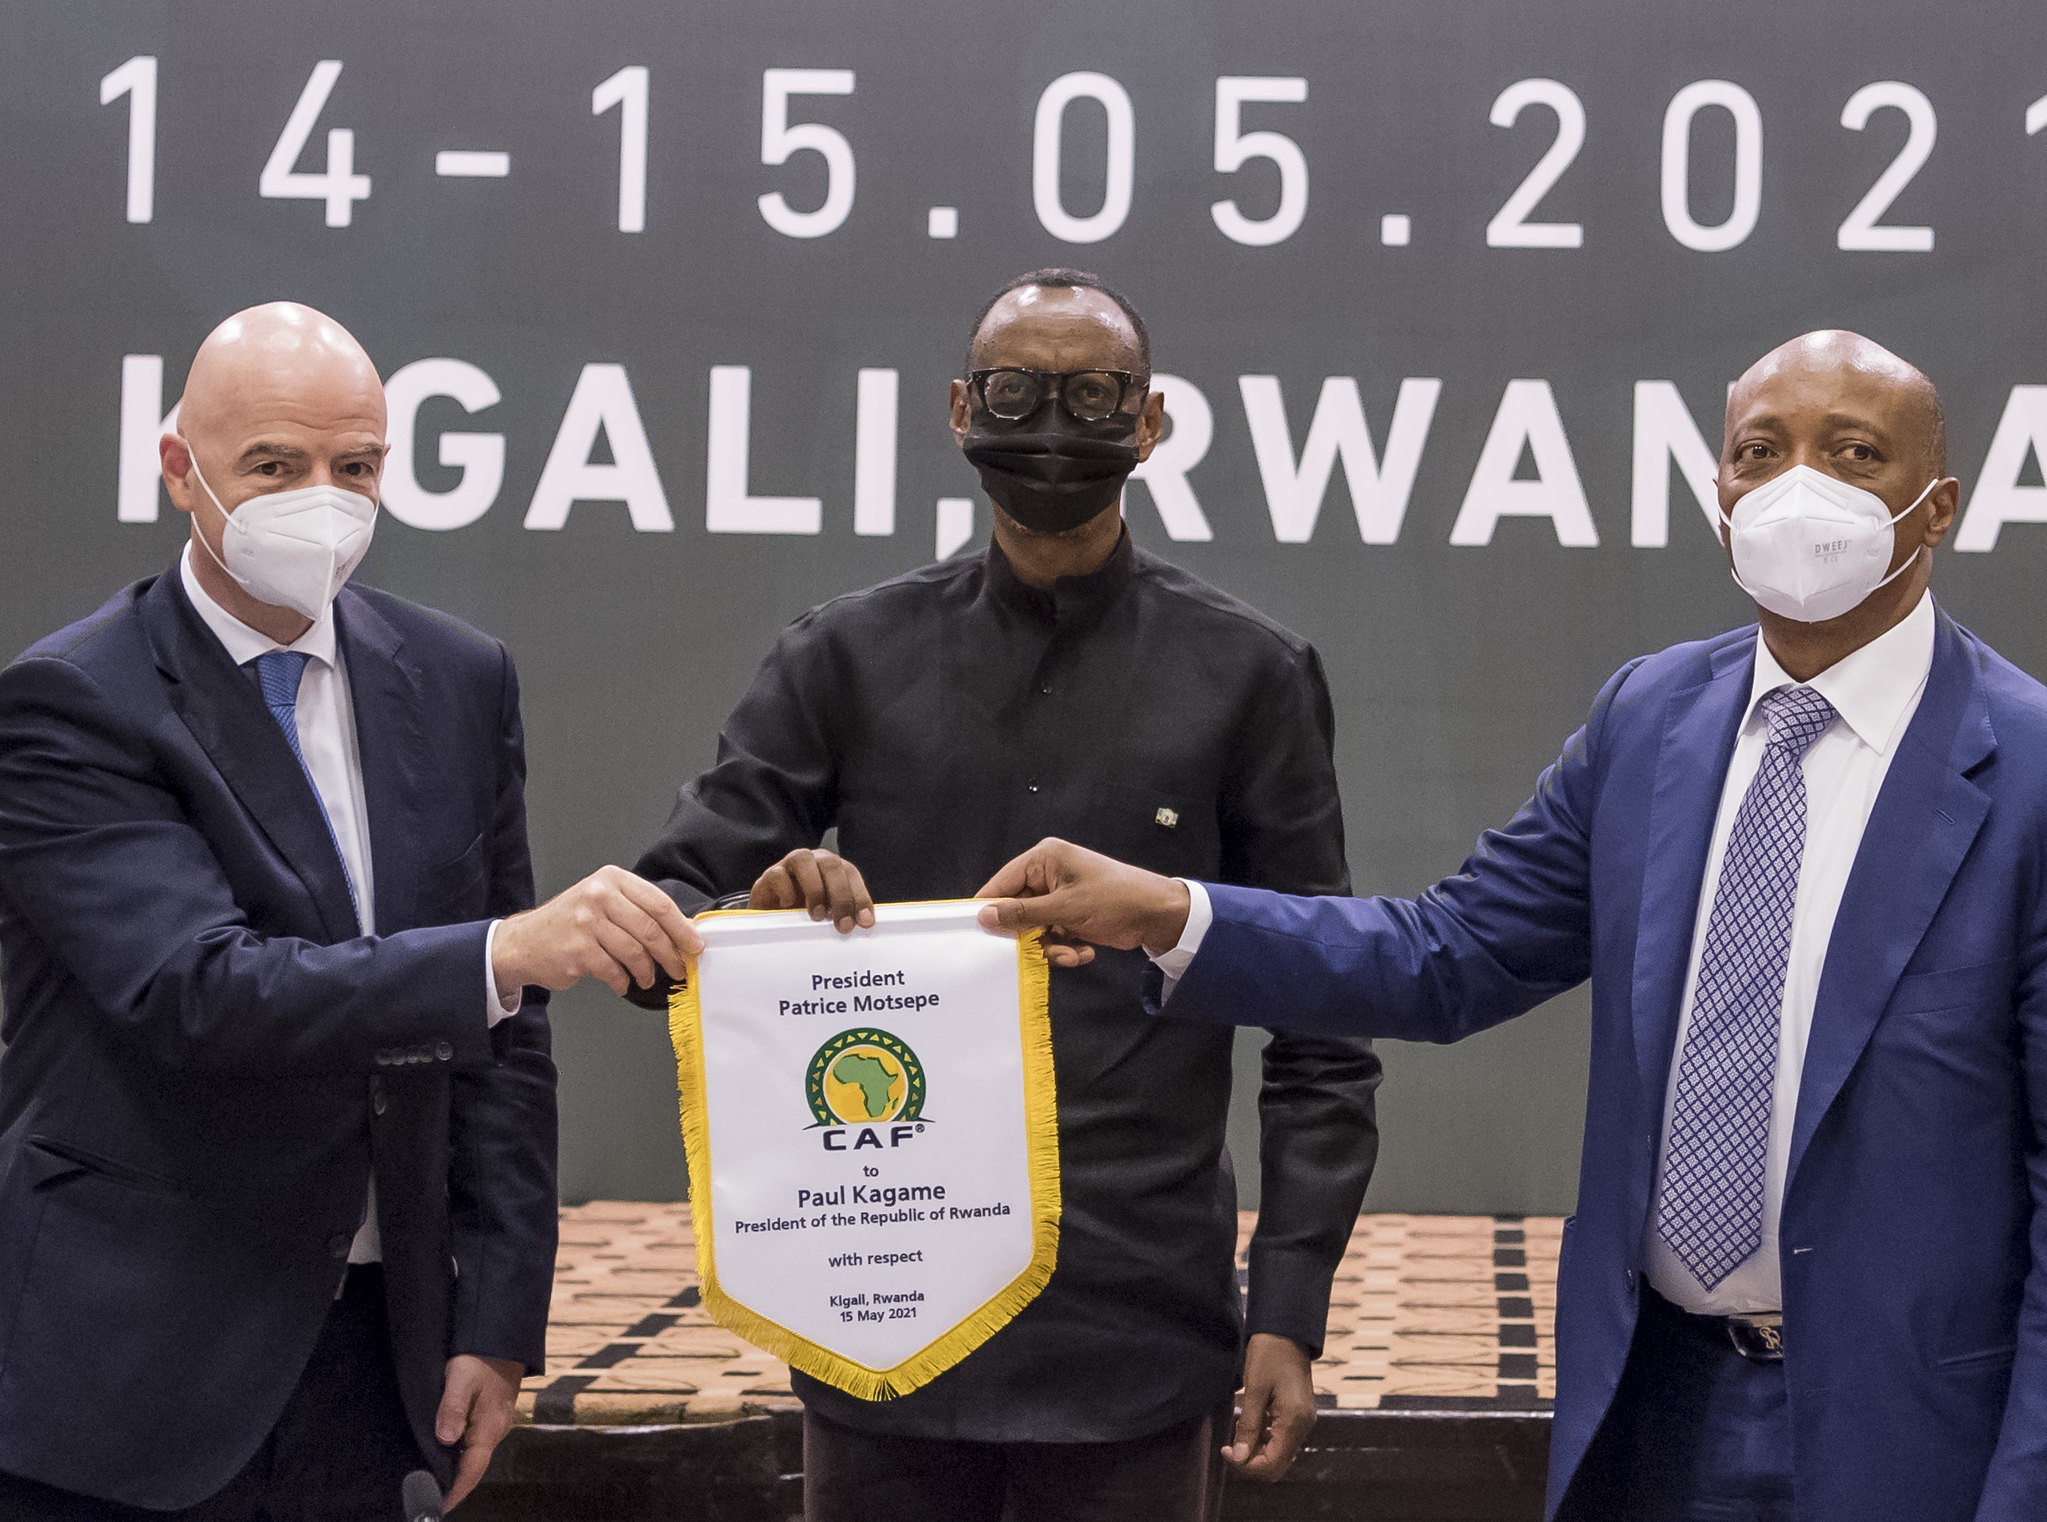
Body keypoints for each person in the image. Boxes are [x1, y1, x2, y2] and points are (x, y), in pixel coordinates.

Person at [978, 330, 2047, 1522]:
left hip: (1913, 1433)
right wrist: (1173, 912)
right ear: (1719, 494)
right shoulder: (1652, 718)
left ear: (1936, 505)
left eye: (1853, 453)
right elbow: (1449, 954)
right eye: (1760, 451)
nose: (1799, 486)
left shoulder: (2026, 769)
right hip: (1654, 1408)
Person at [631, 269, 1381, 1521]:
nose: (1052, 426)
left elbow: (1321, 1018)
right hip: (879, 1315)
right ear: (959, 410)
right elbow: (662, 920)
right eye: (1018, 393)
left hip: (1137, 1328)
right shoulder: (841, 656)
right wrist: (757, 917)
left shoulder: (1250, 675)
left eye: (1093, 396)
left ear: (1150, 422)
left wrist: (1289, 1307)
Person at [0, 303, 701, 1519]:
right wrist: (501, 952)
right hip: (132, 1364)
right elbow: (199, 992)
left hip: (378, 1362)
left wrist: (497, 1320)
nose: (320, 500)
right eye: (274, 466)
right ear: (179, 468)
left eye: (356, 466)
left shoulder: (458, 676)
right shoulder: (72, 702)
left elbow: (506, 1039)